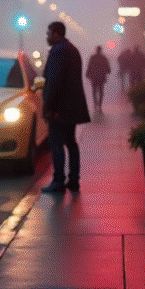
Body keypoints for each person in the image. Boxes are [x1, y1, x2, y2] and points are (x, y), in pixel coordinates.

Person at [41, 22, 91, 192]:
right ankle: (74, 179)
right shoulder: (72, 49)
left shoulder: (57, 51)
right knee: (71, 143)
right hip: (72, 107)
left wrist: (48, 106)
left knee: (56, 144)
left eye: (48, 33)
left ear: (56, 33)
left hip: (59, 109)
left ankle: (58, 181)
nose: (47, 37)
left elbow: (54, 82)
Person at [85, 45, 111, 111]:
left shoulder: (93, 57)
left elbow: (89, 66)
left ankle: (95, 102)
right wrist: (108, 71)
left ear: (96, 50)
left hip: (94, 76)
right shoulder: (103, 58)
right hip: (101, 76)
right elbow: (107, 66)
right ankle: (99, 104)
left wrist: (87, 73)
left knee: (94, 90)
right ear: (101, 50)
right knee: (101, 90)